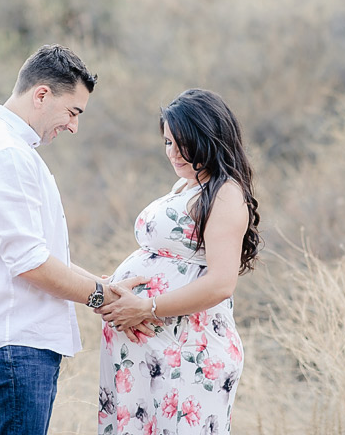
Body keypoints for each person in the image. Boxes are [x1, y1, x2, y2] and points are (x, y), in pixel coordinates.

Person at [0, 44, 150, 435]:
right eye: (73, 112)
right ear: (42, 94)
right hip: (14, 348)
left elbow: (42, 253)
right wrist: (103, 297)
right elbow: (30, 263)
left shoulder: (9, 147)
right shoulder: (6, 153)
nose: (74, 126)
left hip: (19, 348)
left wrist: (105, 286)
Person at [95, 88, 262, 435]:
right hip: (154, 351)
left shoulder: (225, 193)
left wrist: (147, 307)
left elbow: (220, 283)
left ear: (210, 137)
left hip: (189, 352)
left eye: (184, 142)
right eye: (168, 142)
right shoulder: (185, 186)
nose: (174, 153)